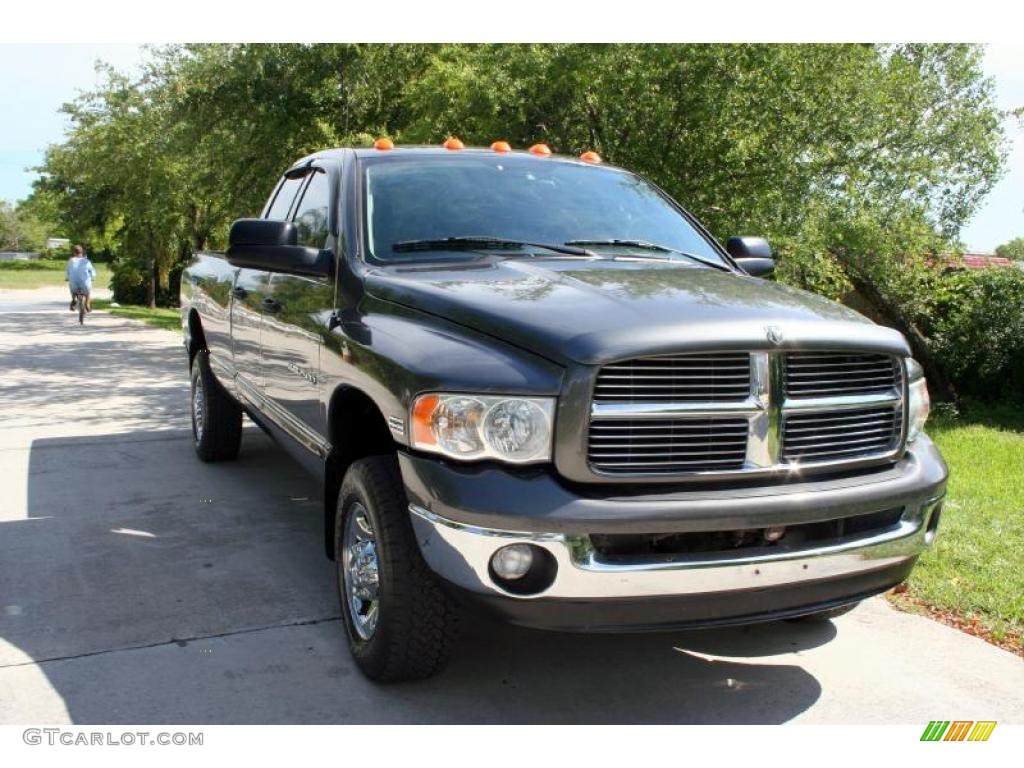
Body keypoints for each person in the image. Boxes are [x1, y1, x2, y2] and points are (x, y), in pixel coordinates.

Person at [65, 245, 96, 313]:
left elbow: (67, 271)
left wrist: (67, 278)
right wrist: (93, 277)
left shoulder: (71, 261)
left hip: (74, 284)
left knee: (72, 290)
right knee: (87, 292)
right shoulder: (86, 261)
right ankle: (87, 304)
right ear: (82, 252)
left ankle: (74, 299)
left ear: (74, 252)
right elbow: (92, 271)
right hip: (85, 283)